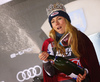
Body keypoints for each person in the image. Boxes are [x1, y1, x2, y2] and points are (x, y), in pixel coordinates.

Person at [39, 2, 100, 82]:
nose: (56, 23)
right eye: (53, 21)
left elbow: (92, 64)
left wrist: (85, 73)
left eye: (59, 19)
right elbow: (50, 74)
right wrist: (45, 60)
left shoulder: (80, 37)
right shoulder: (48, 43)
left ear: (66, 20)